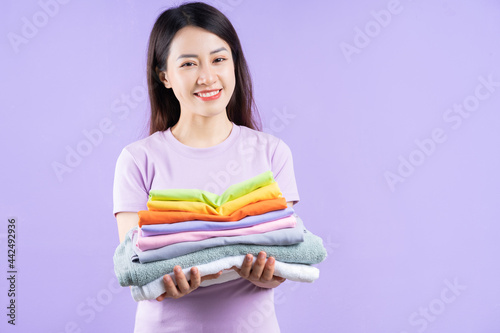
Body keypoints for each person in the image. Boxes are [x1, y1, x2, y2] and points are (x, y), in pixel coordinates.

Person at [113, 2, 300, 331]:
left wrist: (268, 276)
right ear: (164, 76)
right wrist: (162, 284)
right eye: (188, 64)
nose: (207, 76)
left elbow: (285, 258)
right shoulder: (138, 159)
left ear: (234, 65)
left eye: (218, 59)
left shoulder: (272, 153)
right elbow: (137, 267)